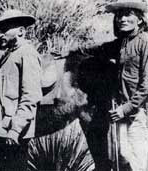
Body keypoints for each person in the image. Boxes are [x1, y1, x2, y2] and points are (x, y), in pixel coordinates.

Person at [60, 0, 148, 170]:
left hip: (138, 110)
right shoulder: (123, 43)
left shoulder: (144, 42)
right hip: (122, 108)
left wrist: (126, 108)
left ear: (139, 19)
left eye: (128, 14)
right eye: (119, 15)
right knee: (123, 155)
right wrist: (72, 51)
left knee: (139, 159)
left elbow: (147, 84)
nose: (122, 19)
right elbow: (99, 49)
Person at [0, 9, 43, 170]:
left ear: (21, 31)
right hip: (2, 129)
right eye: (1, 29)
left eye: (6, 28)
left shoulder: (28, 54)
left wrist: (15, 130)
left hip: (14, 132)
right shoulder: (12, 54)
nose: (2, 33)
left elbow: (30, 96)